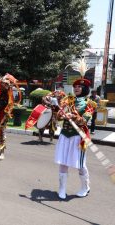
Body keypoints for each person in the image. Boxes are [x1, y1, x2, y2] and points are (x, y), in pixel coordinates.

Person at [55, 59, 96, 199]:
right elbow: (59, 117)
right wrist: (60, 113)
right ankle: (62, 189)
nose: (77, 88)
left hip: (79, 137)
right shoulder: (68, 100)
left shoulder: (90, 103)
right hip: (65, 135)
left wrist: (73, 116)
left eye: (79, 86)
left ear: (85, 88)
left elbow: (85, 120)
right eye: (75, 86)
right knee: (63, 162)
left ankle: (85, 187)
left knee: (79, 164)